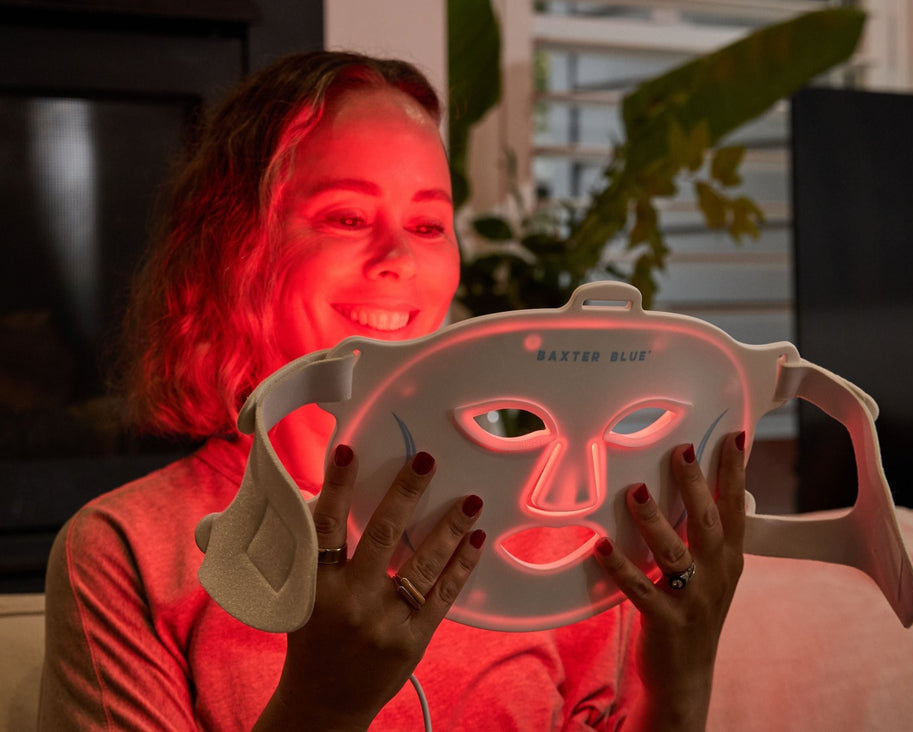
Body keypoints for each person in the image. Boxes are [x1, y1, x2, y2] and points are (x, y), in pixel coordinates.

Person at [38, 51, 746, 730]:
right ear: (238, 248)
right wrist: (323, 708)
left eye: (429, 224)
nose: (400, 258)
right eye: (347, 218)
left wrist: (683, 678)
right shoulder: (129, 552)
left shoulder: (559, 530)